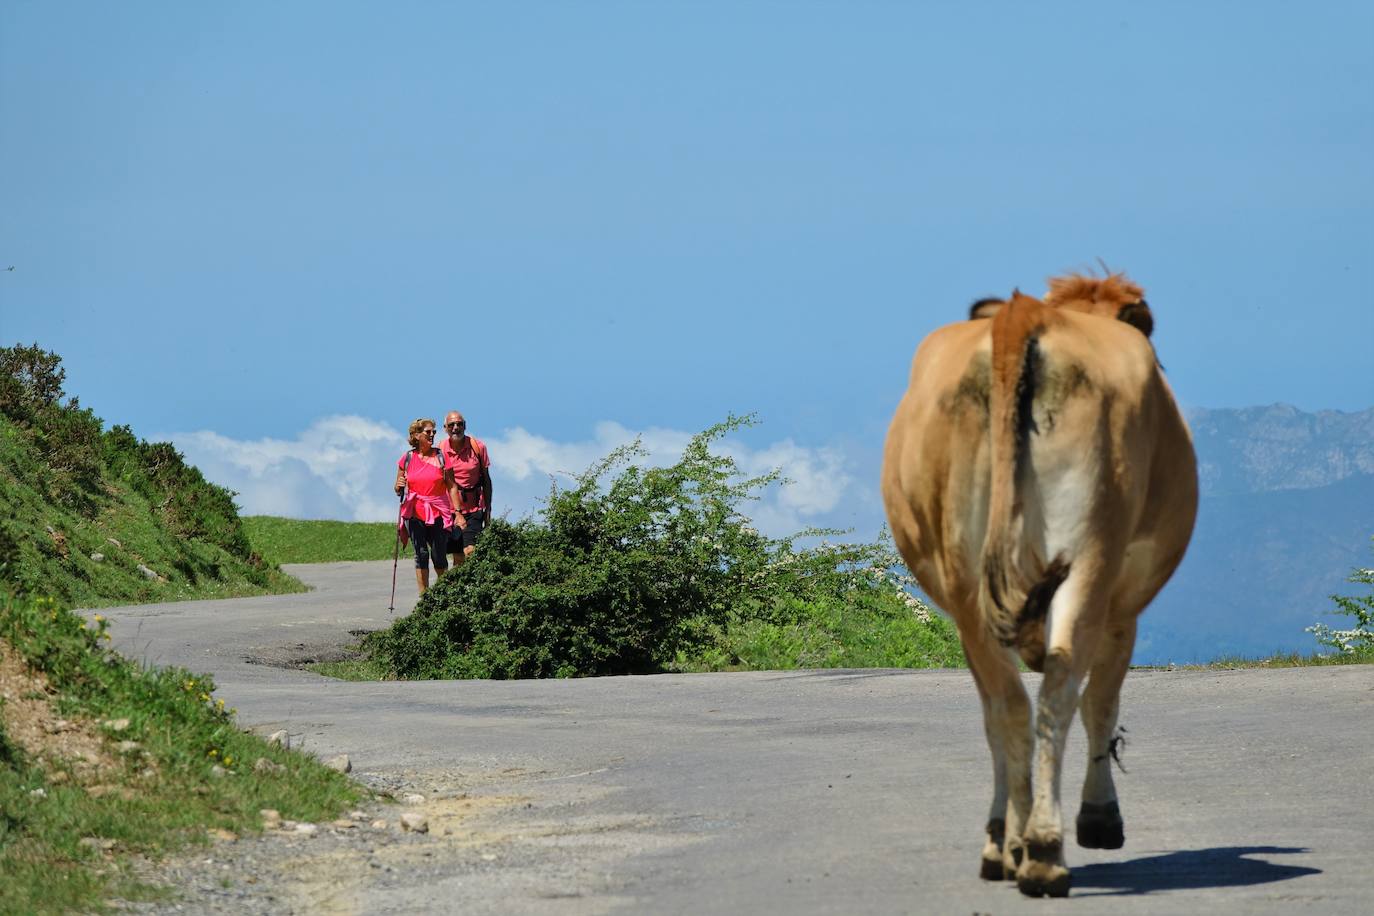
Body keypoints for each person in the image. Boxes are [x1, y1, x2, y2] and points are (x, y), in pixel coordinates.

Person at [393, 418, 462, 595]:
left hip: (438, 511)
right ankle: (424, 596)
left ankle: (443, 593)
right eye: (428, 432)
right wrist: (399, 485)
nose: (432, 435)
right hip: (415, 511)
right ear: (416, 435)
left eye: (434, 432)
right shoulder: (407, 458)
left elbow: (452, 486)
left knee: (439, 555)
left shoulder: (441, 457)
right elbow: (397, 487)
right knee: (421, 553)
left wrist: (458, 513)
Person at [439, 410, 492, 569]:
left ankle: (472, 585)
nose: (456, 427)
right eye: (451, 425)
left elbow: (487, 480)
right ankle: (460, 590)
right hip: (450, 511)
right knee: (458, 555)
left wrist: (488, 509)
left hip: (474, 509)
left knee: (470, 550)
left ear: (465, 426)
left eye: (459, 424)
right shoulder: (440, 450)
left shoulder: (477, 447)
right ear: (445, 428)